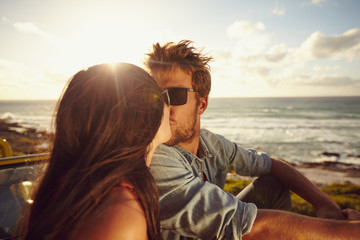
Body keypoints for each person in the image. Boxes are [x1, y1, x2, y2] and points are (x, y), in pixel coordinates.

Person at [144, 40, 360, 239]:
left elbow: (272, 164)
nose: (162, 106)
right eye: (154, 96)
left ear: (202, 104)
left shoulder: (212, 145)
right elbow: (238, 223)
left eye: (175, 95)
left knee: (272, 185)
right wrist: (346, 232)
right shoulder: (156, 156)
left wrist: (326, 205)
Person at [19, 62, 171, 240]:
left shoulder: (81, 187)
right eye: (163, 97)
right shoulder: (119, 214)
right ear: (141, 117)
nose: (171, 106)